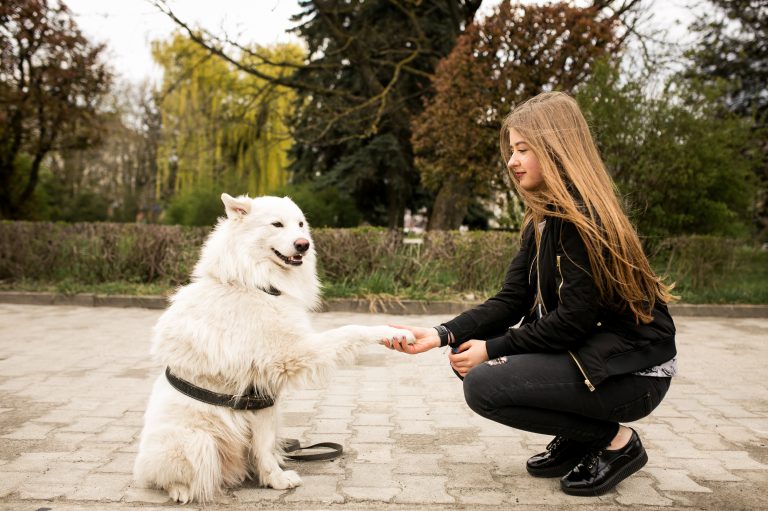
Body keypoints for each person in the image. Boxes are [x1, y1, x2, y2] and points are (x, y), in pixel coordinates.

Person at [384, 91, 677, 497]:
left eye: (523, 149)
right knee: (467, 360)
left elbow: (573, 319)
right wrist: (442, 333)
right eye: (511, 150)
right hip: (592, 356)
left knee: (484, 383)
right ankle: (579, 436)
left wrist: (491, 349)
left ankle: (614, 441)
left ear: (556, 150)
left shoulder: (583, 219)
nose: (511, 161)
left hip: (633, 374)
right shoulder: (542, 219)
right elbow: (511, 300)